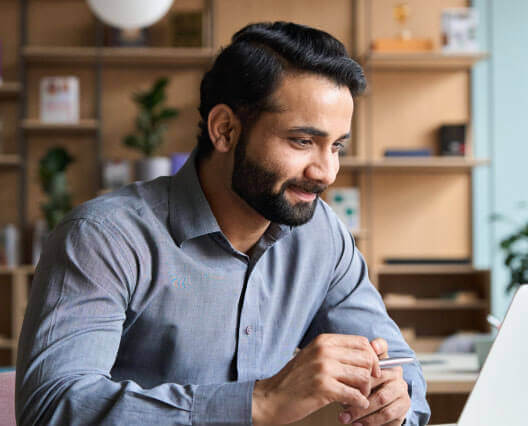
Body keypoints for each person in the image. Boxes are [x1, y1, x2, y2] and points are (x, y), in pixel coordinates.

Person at [16, 22, 430, 425]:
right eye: (303, 141)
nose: (326, 172)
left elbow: (398, 364)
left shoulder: (322, 235)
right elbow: (53, 407)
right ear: (225, 129)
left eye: (336, 146)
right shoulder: (104, 238)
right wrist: (260, 402)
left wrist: (395, 401)